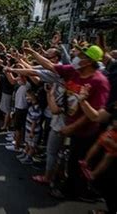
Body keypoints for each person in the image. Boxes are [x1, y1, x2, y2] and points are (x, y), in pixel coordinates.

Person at [24, 44, 110, 199]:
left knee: (76, 163)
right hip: (68, 123)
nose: (77, 57)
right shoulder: (74, 72)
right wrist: (33, 53)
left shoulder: (99, 82)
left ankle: (74, 191)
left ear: (88, 61)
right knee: (66, 158)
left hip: (84, 131)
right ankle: (64, 183)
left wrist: (72, 127)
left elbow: (93, 115)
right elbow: (50, 66)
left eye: (81, 56)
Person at [79, 108, 117, 181]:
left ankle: (87, 163)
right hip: (112, 133)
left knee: (107, 152)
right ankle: (92, 172)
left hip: (111, 132)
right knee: (109, 154)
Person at [17, 88, 43, 165]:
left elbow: (34, 122)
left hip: (33, 131)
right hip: (28, 128)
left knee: (32, 145)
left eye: (28, 96)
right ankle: (25, 153)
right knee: (28, 143)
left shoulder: (36, 108)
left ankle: (28, 157)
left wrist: (32, 131)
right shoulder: (31, 106)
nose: (26, 98)